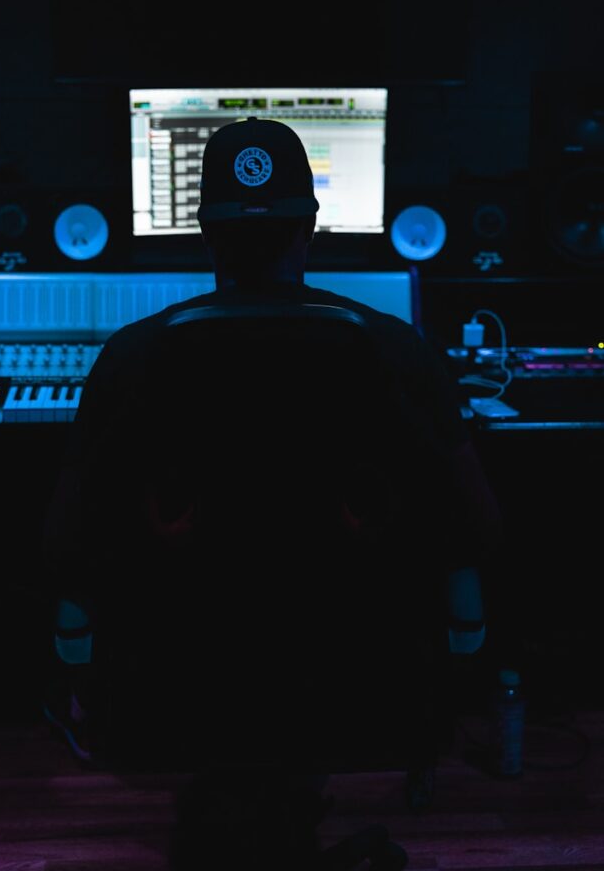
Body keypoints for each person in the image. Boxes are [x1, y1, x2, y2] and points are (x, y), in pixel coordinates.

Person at [41, 118, 502, 816]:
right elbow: (478, 523)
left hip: (181, 686)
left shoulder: (132, 357)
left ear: (202, 230)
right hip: (357, 682)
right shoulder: (396, 349)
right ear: (310, 227)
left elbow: (65, 539)